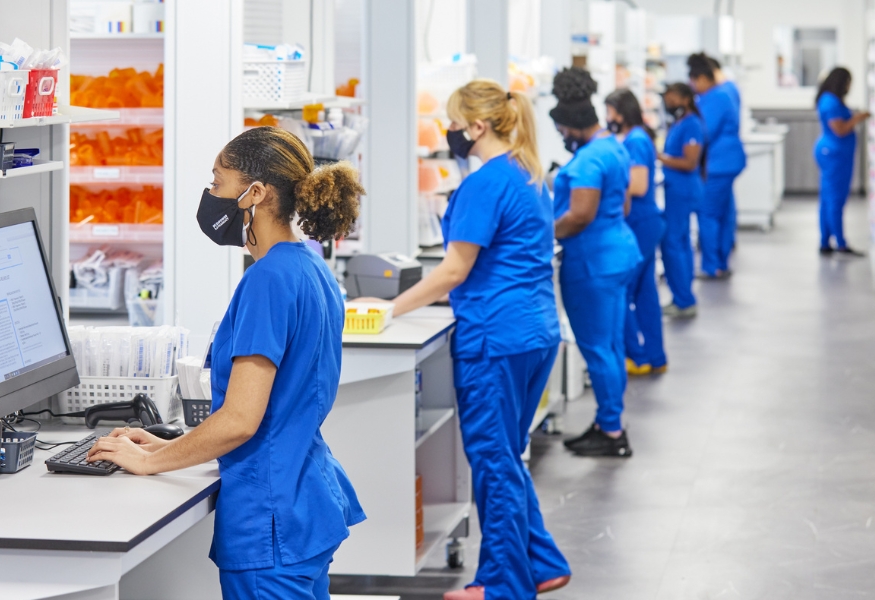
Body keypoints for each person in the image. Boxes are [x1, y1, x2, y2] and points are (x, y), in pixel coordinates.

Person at [87, 127, 367, 600]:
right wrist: (164, 446)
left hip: (270, 517)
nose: (211, 195)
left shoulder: (268, 280)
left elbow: (240, 421)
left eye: (218, 183)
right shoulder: (310, 267)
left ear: (255, 194)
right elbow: (280, 405)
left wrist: (147, 462)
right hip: (304, 497)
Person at [379, 79, 571, 600]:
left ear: (477, 126)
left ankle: (504, 586)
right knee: (507, 454)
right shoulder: (528, 174)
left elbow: (453, 271)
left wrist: (385, 310)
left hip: (495, 339)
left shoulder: (484, 184)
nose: (452, 133)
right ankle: (542, 561)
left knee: (491, 459)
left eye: (456, 124)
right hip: (534, 331)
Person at [551, 67, 642, 458]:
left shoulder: (588, 161)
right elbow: (622, 202)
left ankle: (611, 432)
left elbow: (579, 215)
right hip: (620, 252)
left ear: (571, 127)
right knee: (612, 344)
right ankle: (610, 419)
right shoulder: (614, 147)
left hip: (593, 265)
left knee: (597, 348)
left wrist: (543, 232)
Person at [604, 89, 667, 375]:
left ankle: (637, 356)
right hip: (645, 223)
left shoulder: (637, 141)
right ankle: (655, 356)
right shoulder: (635, 139)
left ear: (621, 111)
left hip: (640, 223)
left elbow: (639, 186)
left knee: (623, 291)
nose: (608, 118)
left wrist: (604, 184)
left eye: (610, 112)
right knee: (645, 293)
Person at [688, 53, 746, 279]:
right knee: (725, 211)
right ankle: (721, 260)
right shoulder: (726, 92)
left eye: (693, 81)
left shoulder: (714, 98)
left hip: (718, 165)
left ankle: (712, 266)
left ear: (702, 78)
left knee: (709, 213)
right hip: (727, 162)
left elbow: (704, 132)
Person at [657, 83, 705, 319]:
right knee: (680, 242)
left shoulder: (692, 124)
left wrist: (659, 157)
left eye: (672, 98)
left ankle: (684, 299)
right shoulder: (679, 123)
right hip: (676, 190)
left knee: (674, 244)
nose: (669, 103)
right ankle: (682, 297)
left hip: (683, 191)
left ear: (685, 99)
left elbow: (689, 162)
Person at [814, 67, 868, 255]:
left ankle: (825, 241)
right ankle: (840, 243)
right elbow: (840, 129)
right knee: (835, 199)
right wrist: (858, 118)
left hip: (833, 152)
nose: (849, 87)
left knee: (828, 198)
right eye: (848, 82)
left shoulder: (830, 99)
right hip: (834, 154)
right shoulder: (830, 101)